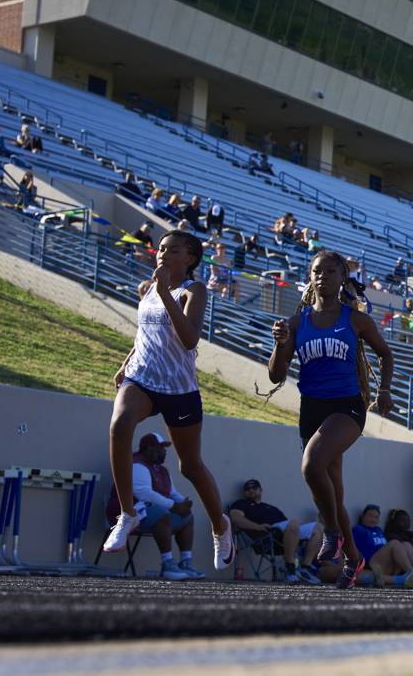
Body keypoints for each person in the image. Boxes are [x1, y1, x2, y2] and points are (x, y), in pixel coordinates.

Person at [102, 231, 236, 572]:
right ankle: (128, 514)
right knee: (119, 427)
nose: (163, 253)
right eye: (161, 248)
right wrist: (125, 362)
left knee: (189, 466)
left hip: (179, 388)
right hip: (142, 378)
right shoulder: (145, 290)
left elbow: (189, 340)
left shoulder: (194, 291)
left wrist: (164, 292)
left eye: (173, 249)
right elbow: (146, 335)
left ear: (190, 258)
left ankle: (220, 526)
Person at [267, 250, 396, 589]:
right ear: (310, 278)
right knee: (334, 493)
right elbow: (275, 376)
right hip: (312, 409)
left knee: (311, 466)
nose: (322, 276)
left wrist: (384, 390)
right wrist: (281, 345)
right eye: (316, 271)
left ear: (342, 278)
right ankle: (354, 559)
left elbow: (385, 353)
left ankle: (334, 535)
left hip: (347, 407)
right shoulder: (297, 322)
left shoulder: (355, 319)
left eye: (329, 271)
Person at [103, 432, 204, 581]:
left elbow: (172, 493)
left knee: (187, 517)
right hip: (126, 516)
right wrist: (174, 506)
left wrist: (184, 502)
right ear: (149, 448)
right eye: (161, 448)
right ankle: (167, 564)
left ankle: (185, 563)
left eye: (165, 448)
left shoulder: (161, 470)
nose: (164, 452)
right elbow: (143, 493)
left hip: (148, 514)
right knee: (162, 514)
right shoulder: (137, 464)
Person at [229, 478, 325, 584]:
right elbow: (236, 519)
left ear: (261, 490)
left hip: (284, 536)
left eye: (254, 488)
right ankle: (291, 570)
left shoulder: (271, 508)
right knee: (293, 523)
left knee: (318, 527)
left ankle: (305, 568)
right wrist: (258, 526)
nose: (251, 490)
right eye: (248, 489)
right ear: (244, 493)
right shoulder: (241, 503)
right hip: (265, 537)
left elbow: (288, 525)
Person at [350, 505, 413, 588]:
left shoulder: (378, 530)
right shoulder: (358, 529)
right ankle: (412, 574)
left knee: (406, 544)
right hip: (373, 565)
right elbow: (357, 552)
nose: (373, 519)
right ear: (362, 517)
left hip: (386, 566)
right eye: (370, 516)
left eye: (376, 517)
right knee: (394, 543)